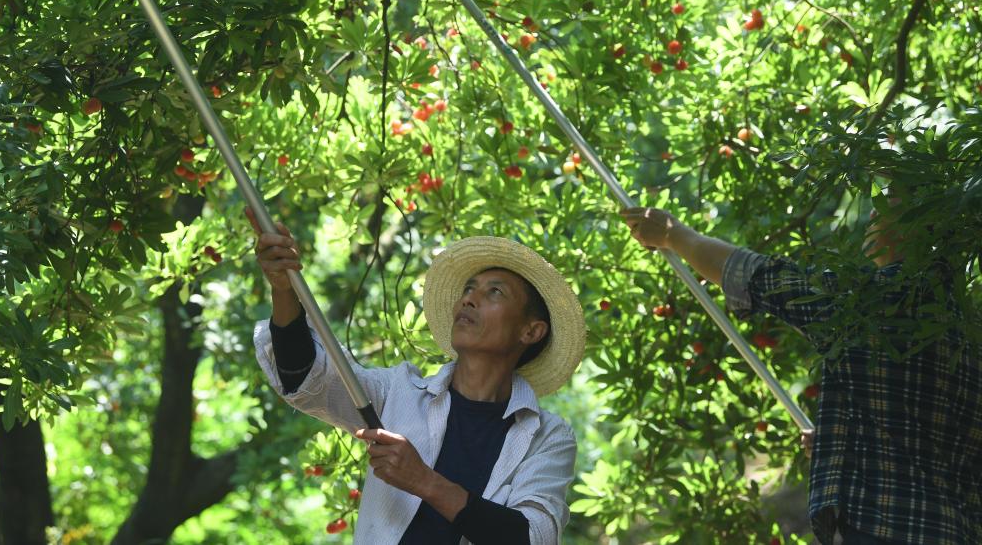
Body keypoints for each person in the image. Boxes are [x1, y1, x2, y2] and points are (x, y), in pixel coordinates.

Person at [620, 205, 982, 545]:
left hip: (884, 527)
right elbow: (924, 437)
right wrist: (839, 447)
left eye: (881, 208)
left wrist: (674, 234)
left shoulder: (867, 303)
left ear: (910, 228)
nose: (871, 219)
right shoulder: (969, 330)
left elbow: (755, 274)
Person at [249, 211, 586, 544]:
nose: (469, 298)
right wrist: (284, 290)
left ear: (530, 331)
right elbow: (309, 377)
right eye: (469, 289)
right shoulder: (397, 392)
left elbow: (533, 537)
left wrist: (424, 481)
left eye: (495, 292)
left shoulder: (547, 437)